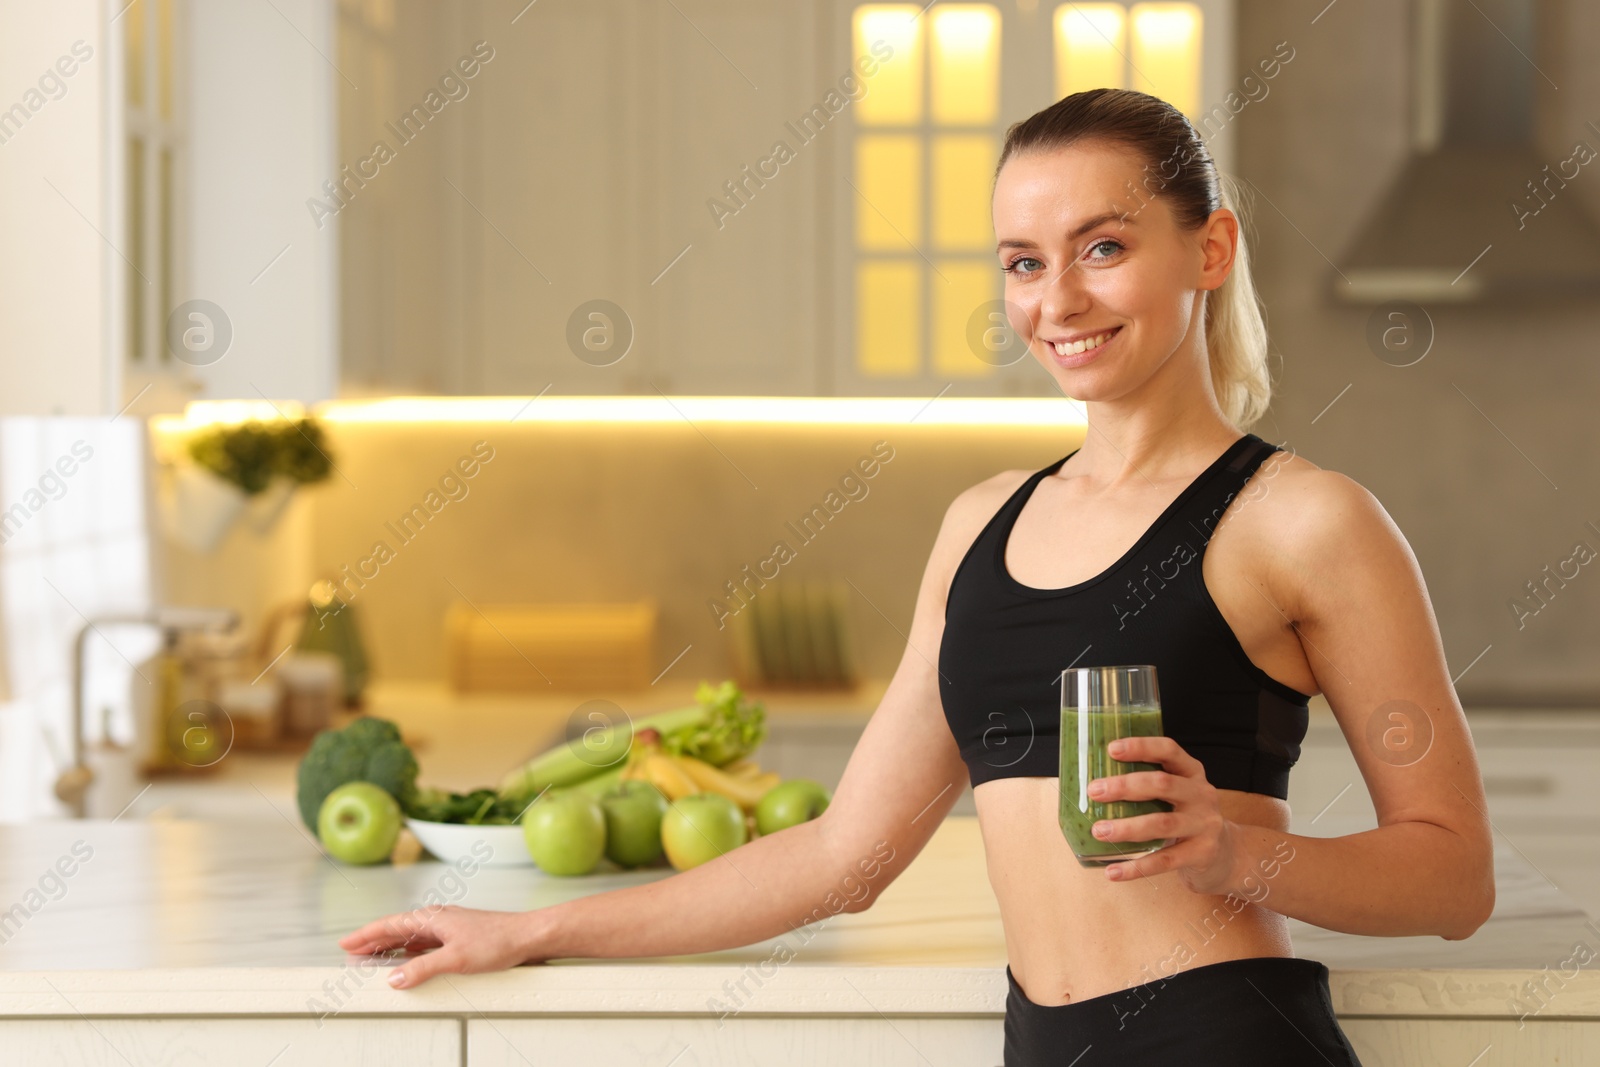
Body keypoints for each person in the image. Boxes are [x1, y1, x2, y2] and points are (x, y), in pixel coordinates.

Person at [339, 88, 1494, 1065]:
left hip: (1217, 1036)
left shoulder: (1303, 519)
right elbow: (845, 856)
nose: (1059, 301)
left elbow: (1452, 875)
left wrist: (1236, 851)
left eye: (1103, 246)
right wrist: (532, 931)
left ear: (1208, 247)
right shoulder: (980, 524)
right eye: (1022, 264)